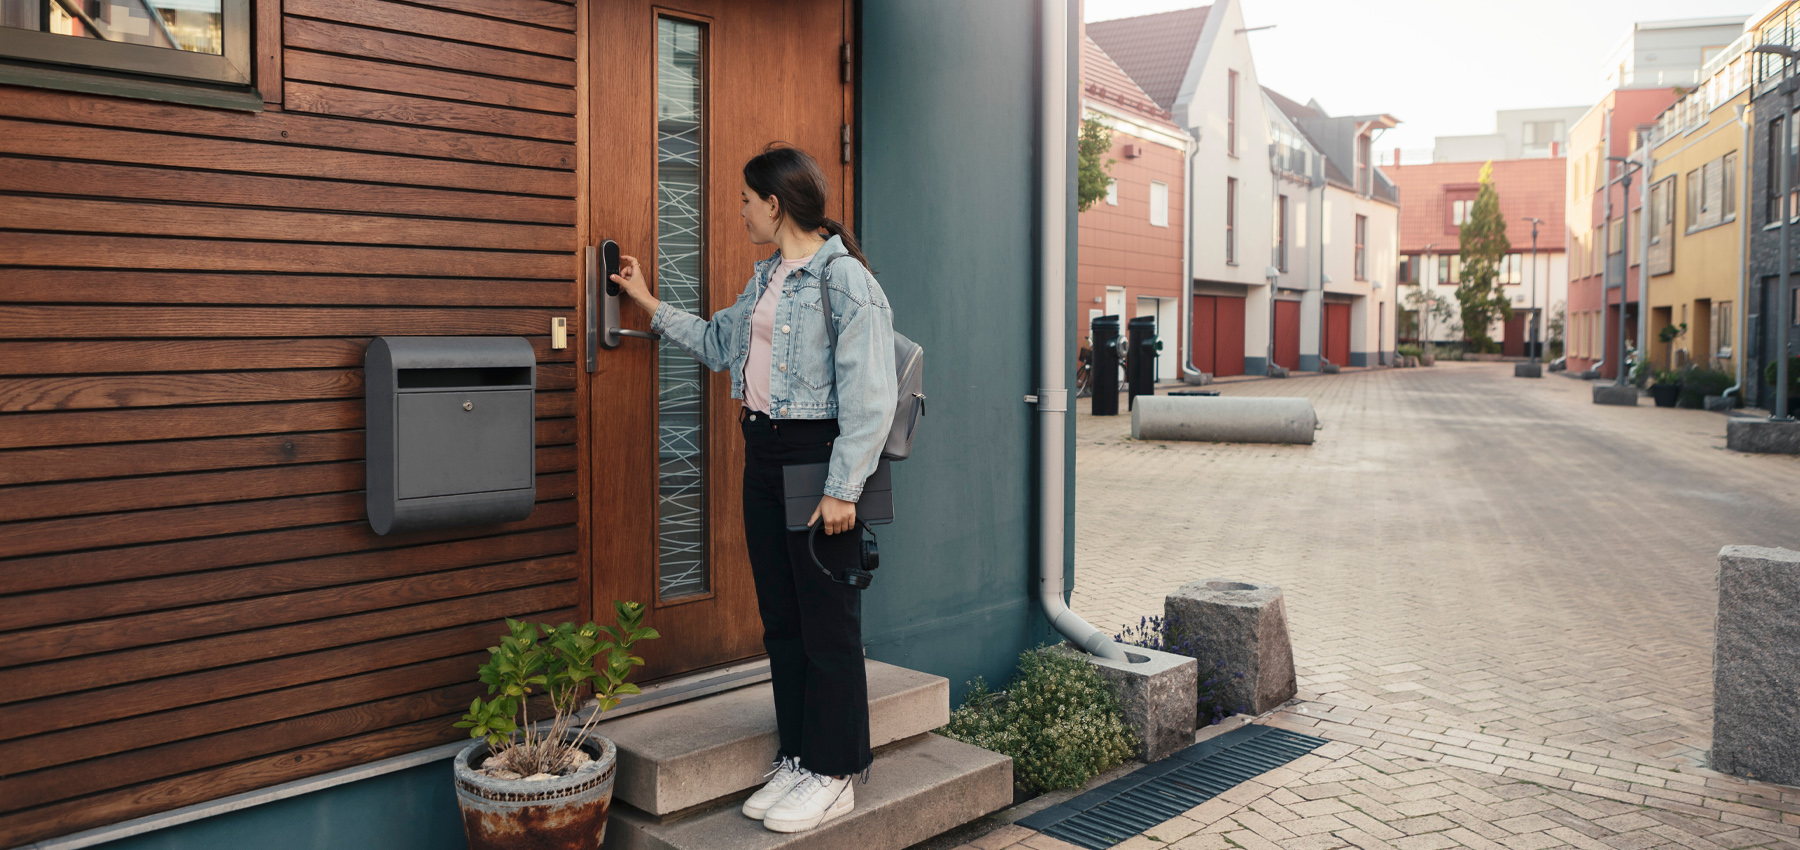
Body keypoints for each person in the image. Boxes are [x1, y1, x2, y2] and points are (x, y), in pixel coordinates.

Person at [610, 144, 897, 834]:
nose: (738, 210)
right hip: (764, 452)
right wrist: (647, 303)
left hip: (817, 457)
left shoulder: (845, 280)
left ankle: (836, 770)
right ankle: (800, 754)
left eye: (745, 199)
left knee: (829, 624)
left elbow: (872, 396)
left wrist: (843, 488)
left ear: (775, 203)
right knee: (783, 620)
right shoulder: (768, 276)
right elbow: (717, 344)